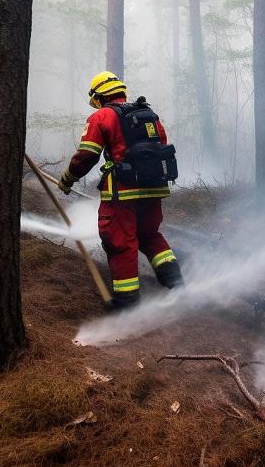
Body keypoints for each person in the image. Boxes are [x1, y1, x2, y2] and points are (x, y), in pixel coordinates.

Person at [58, 71, 183, 310]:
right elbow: (161, 146)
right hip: (154, 187)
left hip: (123, 193)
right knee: (150, 235)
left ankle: (127, 303)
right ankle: (177, 285)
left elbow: (86, 156)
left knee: (119, 242)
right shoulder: (149, 114)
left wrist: (67, 179)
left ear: (98, 96)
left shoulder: (102, 116)